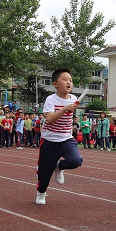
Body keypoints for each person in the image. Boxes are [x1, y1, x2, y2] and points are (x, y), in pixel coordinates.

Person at [35, 69, 83, 205]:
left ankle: (59, 166)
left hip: (66, 138)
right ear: (55, 84)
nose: (69, 82)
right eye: (65, 79)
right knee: (44, 173)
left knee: (76, 160)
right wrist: (64, 109)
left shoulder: (73, 99)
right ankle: (41, 192)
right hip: (49, 140)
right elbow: (50, 119)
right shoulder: (50, 99)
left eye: (70, 80)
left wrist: (69, 107)